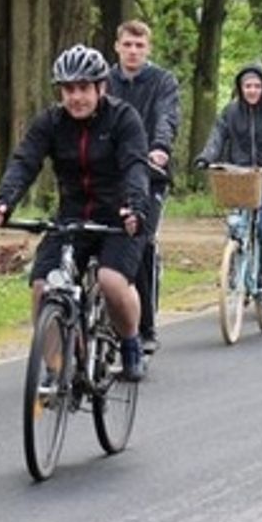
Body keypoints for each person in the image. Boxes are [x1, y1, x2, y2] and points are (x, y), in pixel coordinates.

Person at [0, 44, 150, 382]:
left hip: (118, 217)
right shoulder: (51, 122)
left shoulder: (123, 119)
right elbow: (25, 161)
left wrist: (135, 207)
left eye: (83, 89)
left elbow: (135, 166)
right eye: (68, 89)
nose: (76, 97)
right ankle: (54, 368)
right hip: (72, 217)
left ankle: (131, 342)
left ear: (100, 88)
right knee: (42, 287)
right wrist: (4, 202)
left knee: (111, 280)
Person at [194, 61, 262, 305]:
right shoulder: (230, 112)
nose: (252, 90)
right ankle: (237, 271)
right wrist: (207, 157)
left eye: (257, 86)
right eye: (247, 86)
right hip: (241, 180)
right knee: (235, 226)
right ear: (240, 88)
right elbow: (217, 137)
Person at [106, 20, 181, 354]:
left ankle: (146, 327)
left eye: (139, 45)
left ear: (148, 48)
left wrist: (161, 147)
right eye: (127, 45)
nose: (133, 51)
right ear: (117, 46)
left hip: (150, 174)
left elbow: (167, 116)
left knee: (142, 243)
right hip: (111, 173)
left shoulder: (163, 81)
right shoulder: (103, 81)